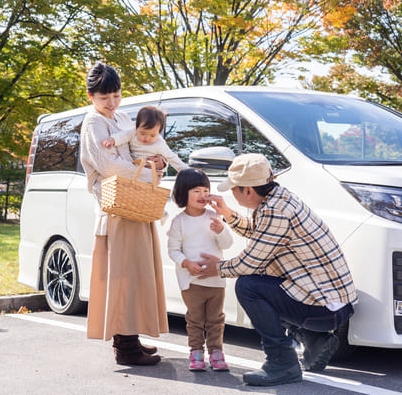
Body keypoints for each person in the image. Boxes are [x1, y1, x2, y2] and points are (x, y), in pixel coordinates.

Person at [197, 153, 358, 386]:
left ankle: (282, 362)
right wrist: (228, 214)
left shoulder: (275, 211)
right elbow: (261, 234)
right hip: (332, 303)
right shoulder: (279, 199)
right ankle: (313, 338)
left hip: (326, 308)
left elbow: (248, 263)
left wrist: (217, 268)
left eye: (234, 188)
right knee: (266, 279)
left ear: (248, 190)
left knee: (249, 285)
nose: (231, 193)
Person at [79, 62, 169, 366]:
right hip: (116, 207)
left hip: (134, 202)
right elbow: (110, 166)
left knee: (136, 273)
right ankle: (125, 347)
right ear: (91, 95)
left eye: (116, 95)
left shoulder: (122, 117)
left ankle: (131, 339)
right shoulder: (93, 123)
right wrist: (146, 174)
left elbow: (137, 151)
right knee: (123, 275)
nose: (112, 103)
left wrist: (157, 162)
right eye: (105, 97)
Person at [167, 168, 234, 372]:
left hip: (215, 281)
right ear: (182, 193)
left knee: (216, 319)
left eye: (205, 190)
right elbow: (173, 250)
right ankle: (196, 352)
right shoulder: (179, 221)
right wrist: (186, 263)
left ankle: (216, 352)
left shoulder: (214, 216)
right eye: (196, 191)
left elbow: (227, 244)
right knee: (195, 319)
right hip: (191, 281)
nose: (202, 195)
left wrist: (221, 231)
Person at [101, 105, 188, 173]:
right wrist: (112, 140)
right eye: (143, 133)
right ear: (136, 127)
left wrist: (185, 170)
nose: (147, 138)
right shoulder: (132, 133)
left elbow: (172, 157)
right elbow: (122, 136)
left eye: (153, 135)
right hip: (133, 171)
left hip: (150, 175)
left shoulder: (159, 143)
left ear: (158, 133)